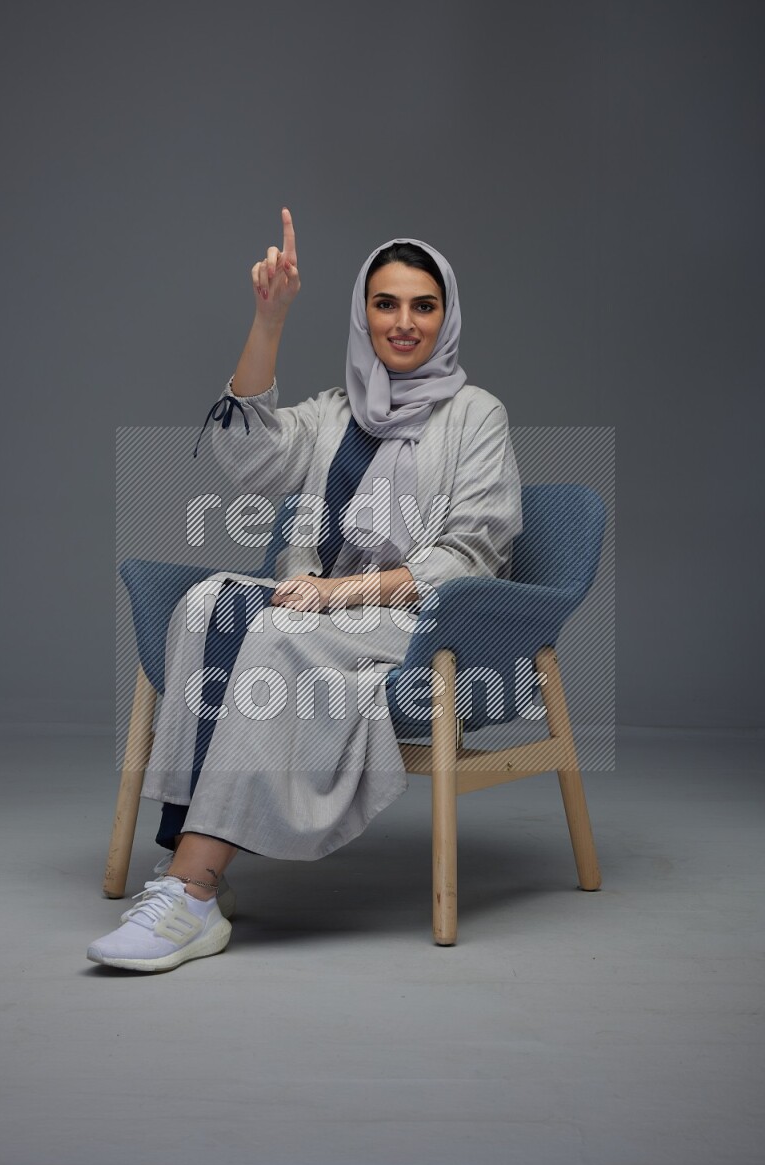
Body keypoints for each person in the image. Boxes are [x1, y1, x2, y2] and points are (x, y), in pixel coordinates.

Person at [87, 208, 522, 973]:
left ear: (446, 315)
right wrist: (269, 318)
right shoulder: (335, 412)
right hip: (318, 603)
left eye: (424, 304)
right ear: (363, 313)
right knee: (208, 603)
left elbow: (470, 556)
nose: (404, 321)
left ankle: (190, 891)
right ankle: (189, 861)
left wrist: (342, 592)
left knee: (278, 634)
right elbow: (249, 459)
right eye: (385, 303)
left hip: (417, 622)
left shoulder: (475, 415)